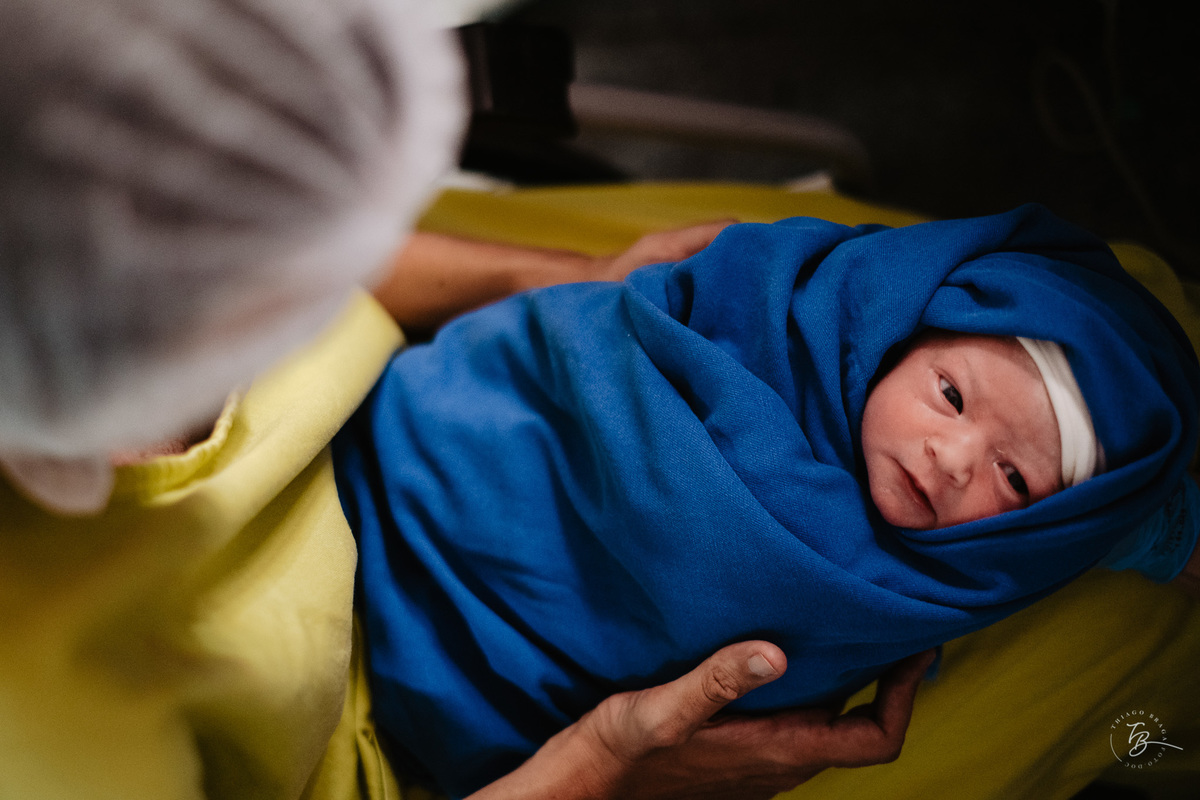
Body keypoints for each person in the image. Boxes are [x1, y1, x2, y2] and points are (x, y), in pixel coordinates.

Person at [0, 1, 932, 798]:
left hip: (425, 406)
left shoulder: (98, 168)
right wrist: (608, 763)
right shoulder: (53, 753)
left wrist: (566, 276)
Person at [336, 204, 1200, 796]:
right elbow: (588, 363)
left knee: (1140, 302)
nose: (952, 458)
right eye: (949, 396)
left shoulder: (803, 311)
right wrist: (606, 760)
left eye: (1012, 480)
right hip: (427, 494)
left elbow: (1081, 512)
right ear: (890, 337)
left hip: (343, 402)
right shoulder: (772, 331)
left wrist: (587, 273)